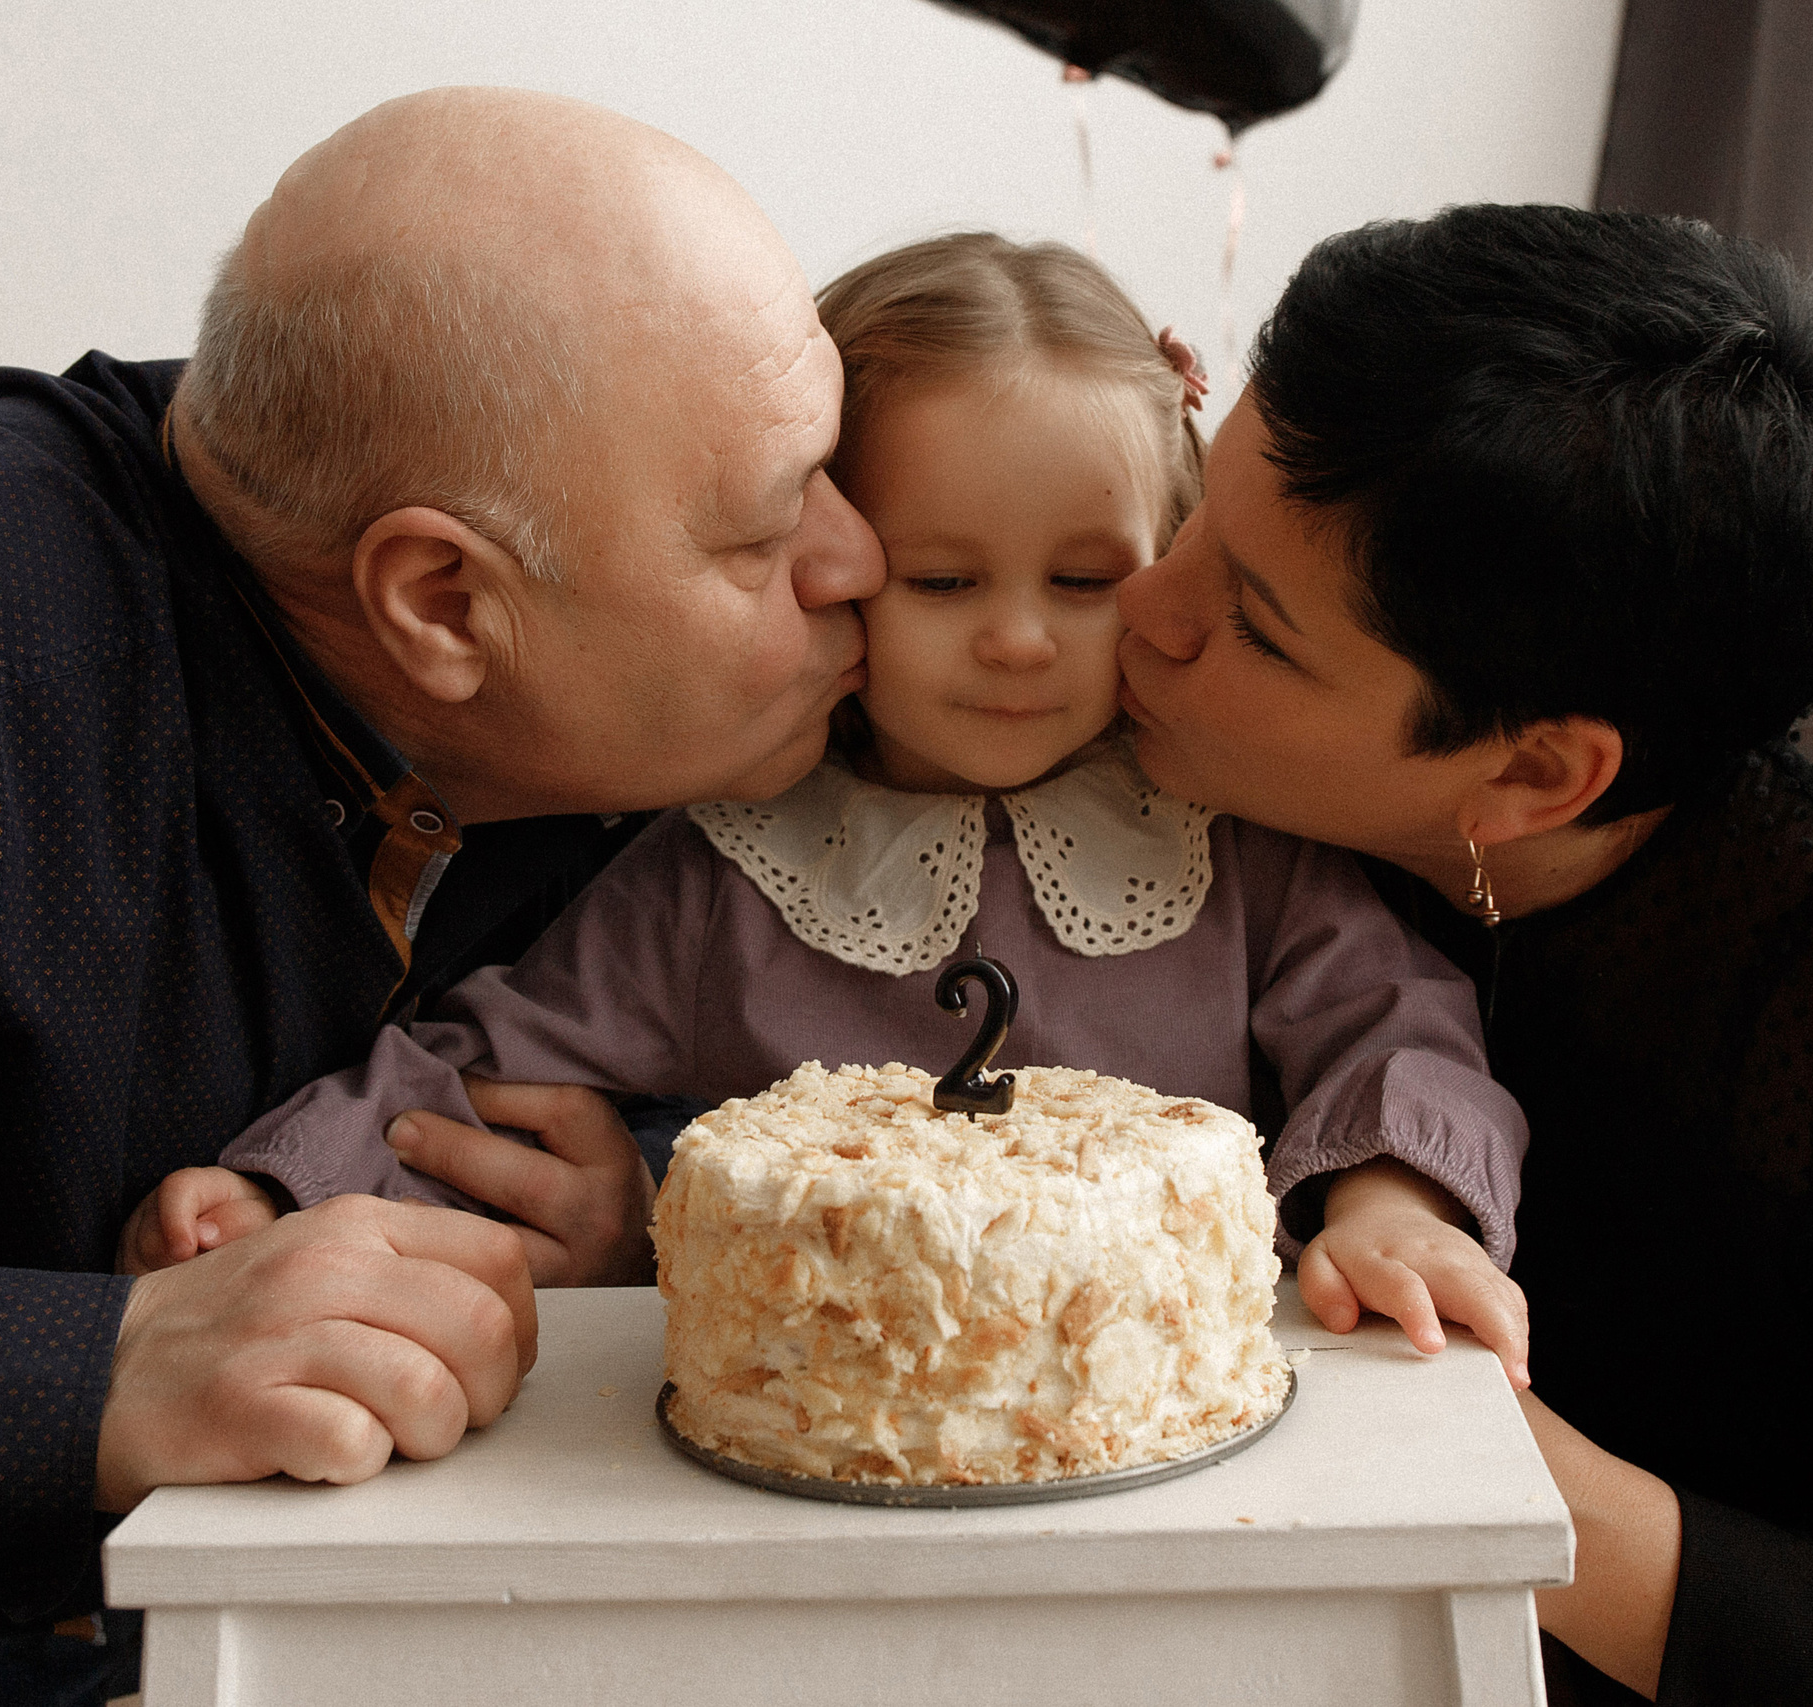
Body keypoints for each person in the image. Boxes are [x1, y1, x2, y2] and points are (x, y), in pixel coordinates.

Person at [0, 88, 882, 1702]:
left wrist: (627, 1206)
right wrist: (103, 1373)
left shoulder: (654, 714)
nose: (861, 561)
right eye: (773, 528)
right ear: (442, 604)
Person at [125, 232, 1535, 1379]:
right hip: (808, 1433)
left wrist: (1395, 1212)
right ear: (835, 552)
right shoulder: (726, 867)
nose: (1021, 640)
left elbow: (1395, 1021)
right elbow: (487, 1069)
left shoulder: (1230, 842)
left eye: (1086, 578)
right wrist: (286, 1192)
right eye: (944, 579)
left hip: (1170, 1429)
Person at [1113, 201, 1813, 1706]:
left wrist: (1482, 1474)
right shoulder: (1320, 676)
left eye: (1254, 629)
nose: (1140, 609)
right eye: (1191, 516)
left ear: (1538, 779)